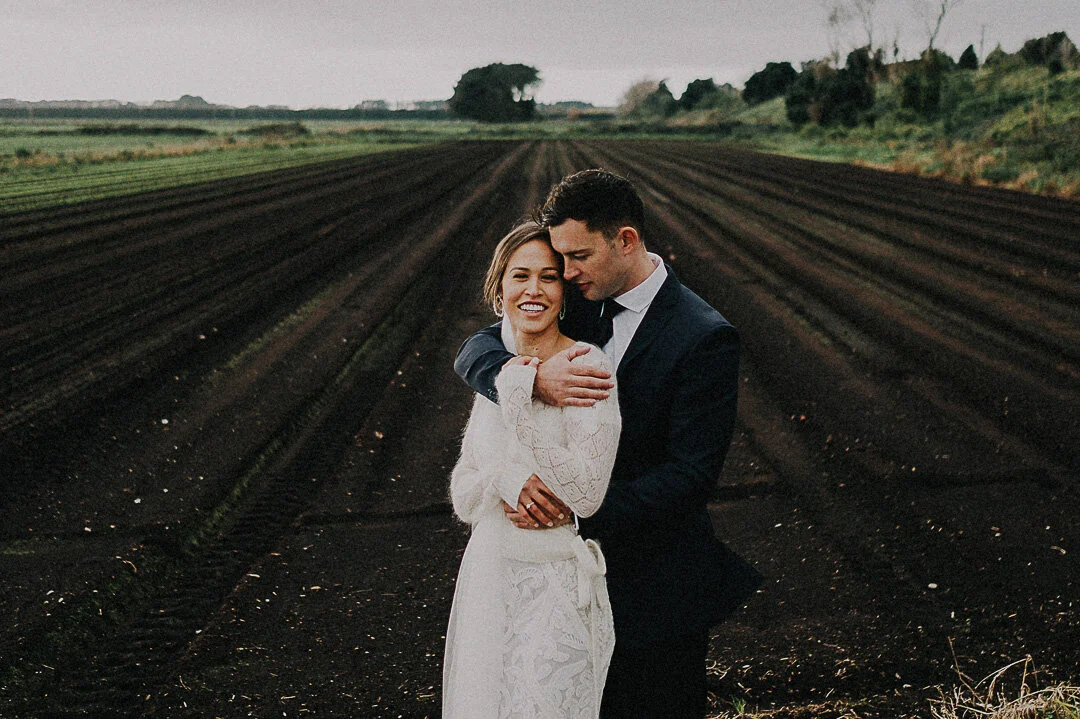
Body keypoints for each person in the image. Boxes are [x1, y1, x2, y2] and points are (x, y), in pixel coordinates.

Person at [454, 169, 762, 718]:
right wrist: (528, 380)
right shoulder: (579, 298)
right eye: (560, 262)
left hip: (654, 585)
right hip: (560, 586)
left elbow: (690, 476)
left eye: (578, 257)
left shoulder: (702, 335)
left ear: (626, 240)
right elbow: (478, 345)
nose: (565, 274)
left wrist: (571, 512)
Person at [443, 221, 622, 718]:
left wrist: (522, 401)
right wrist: (507, 479)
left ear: (564, 292)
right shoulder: (500, 372)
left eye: (548, 277)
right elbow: (463, 490)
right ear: (499, 289)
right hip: (490, 572)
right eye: (520, 276)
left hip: (553, 581)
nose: (534, 290)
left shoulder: (589, 366)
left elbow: (586, 494)